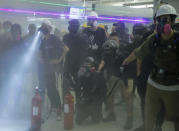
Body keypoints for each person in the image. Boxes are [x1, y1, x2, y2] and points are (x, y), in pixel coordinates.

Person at [122, 4, 179, 131]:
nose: (167, 23)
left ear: (174, 21)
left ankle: (158, 126)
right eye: (163, 19)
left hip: (174, 86)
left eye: (170, 19)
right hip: (154, 83)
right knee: (149, 112)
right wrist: (126, 62)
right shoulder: (153, 38)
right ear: (157, 22)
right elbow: (138, 52)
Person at [97, 32, 134, 129]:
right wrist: (98, 70)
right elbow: (103, 60)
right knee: (109, 94)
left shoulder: (126, 46)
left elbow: (132, 59)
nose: (113, 42)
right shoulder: (107, 48)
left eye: (115, 40)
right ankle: (112, 114)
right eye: (111, 40)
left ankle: (130, 119)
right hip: (115, 74)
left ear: (119, 39)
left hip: (127, 74)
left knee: (127, 96)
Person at [38, 22, 68, 120]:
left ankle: (58, 110)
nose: (43, 29)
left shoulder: (55, 39)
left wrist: (59, 60)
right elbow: (40, 52)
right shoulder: (43, 40)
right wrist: (40, 58)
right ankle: (54, 107)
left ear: (50, 28)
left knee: (53, 89)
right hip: (46, 68)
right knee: (49, 89)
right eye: (42, 27)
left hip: (54, 68)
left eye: (45, 27)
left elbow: (66, 49)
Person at [62, 19, 88, 93]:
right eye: (69, 25)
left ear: (76, 26)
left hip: (79, 65)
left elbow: (86, 50)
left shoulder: (83, 37)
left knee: (79, 87)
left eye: (71, 25)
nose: (69, 27)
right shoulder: (66, 37)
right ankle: (66, 103)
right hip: (69, 65)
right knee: (67, 87)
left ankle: (79, 103)